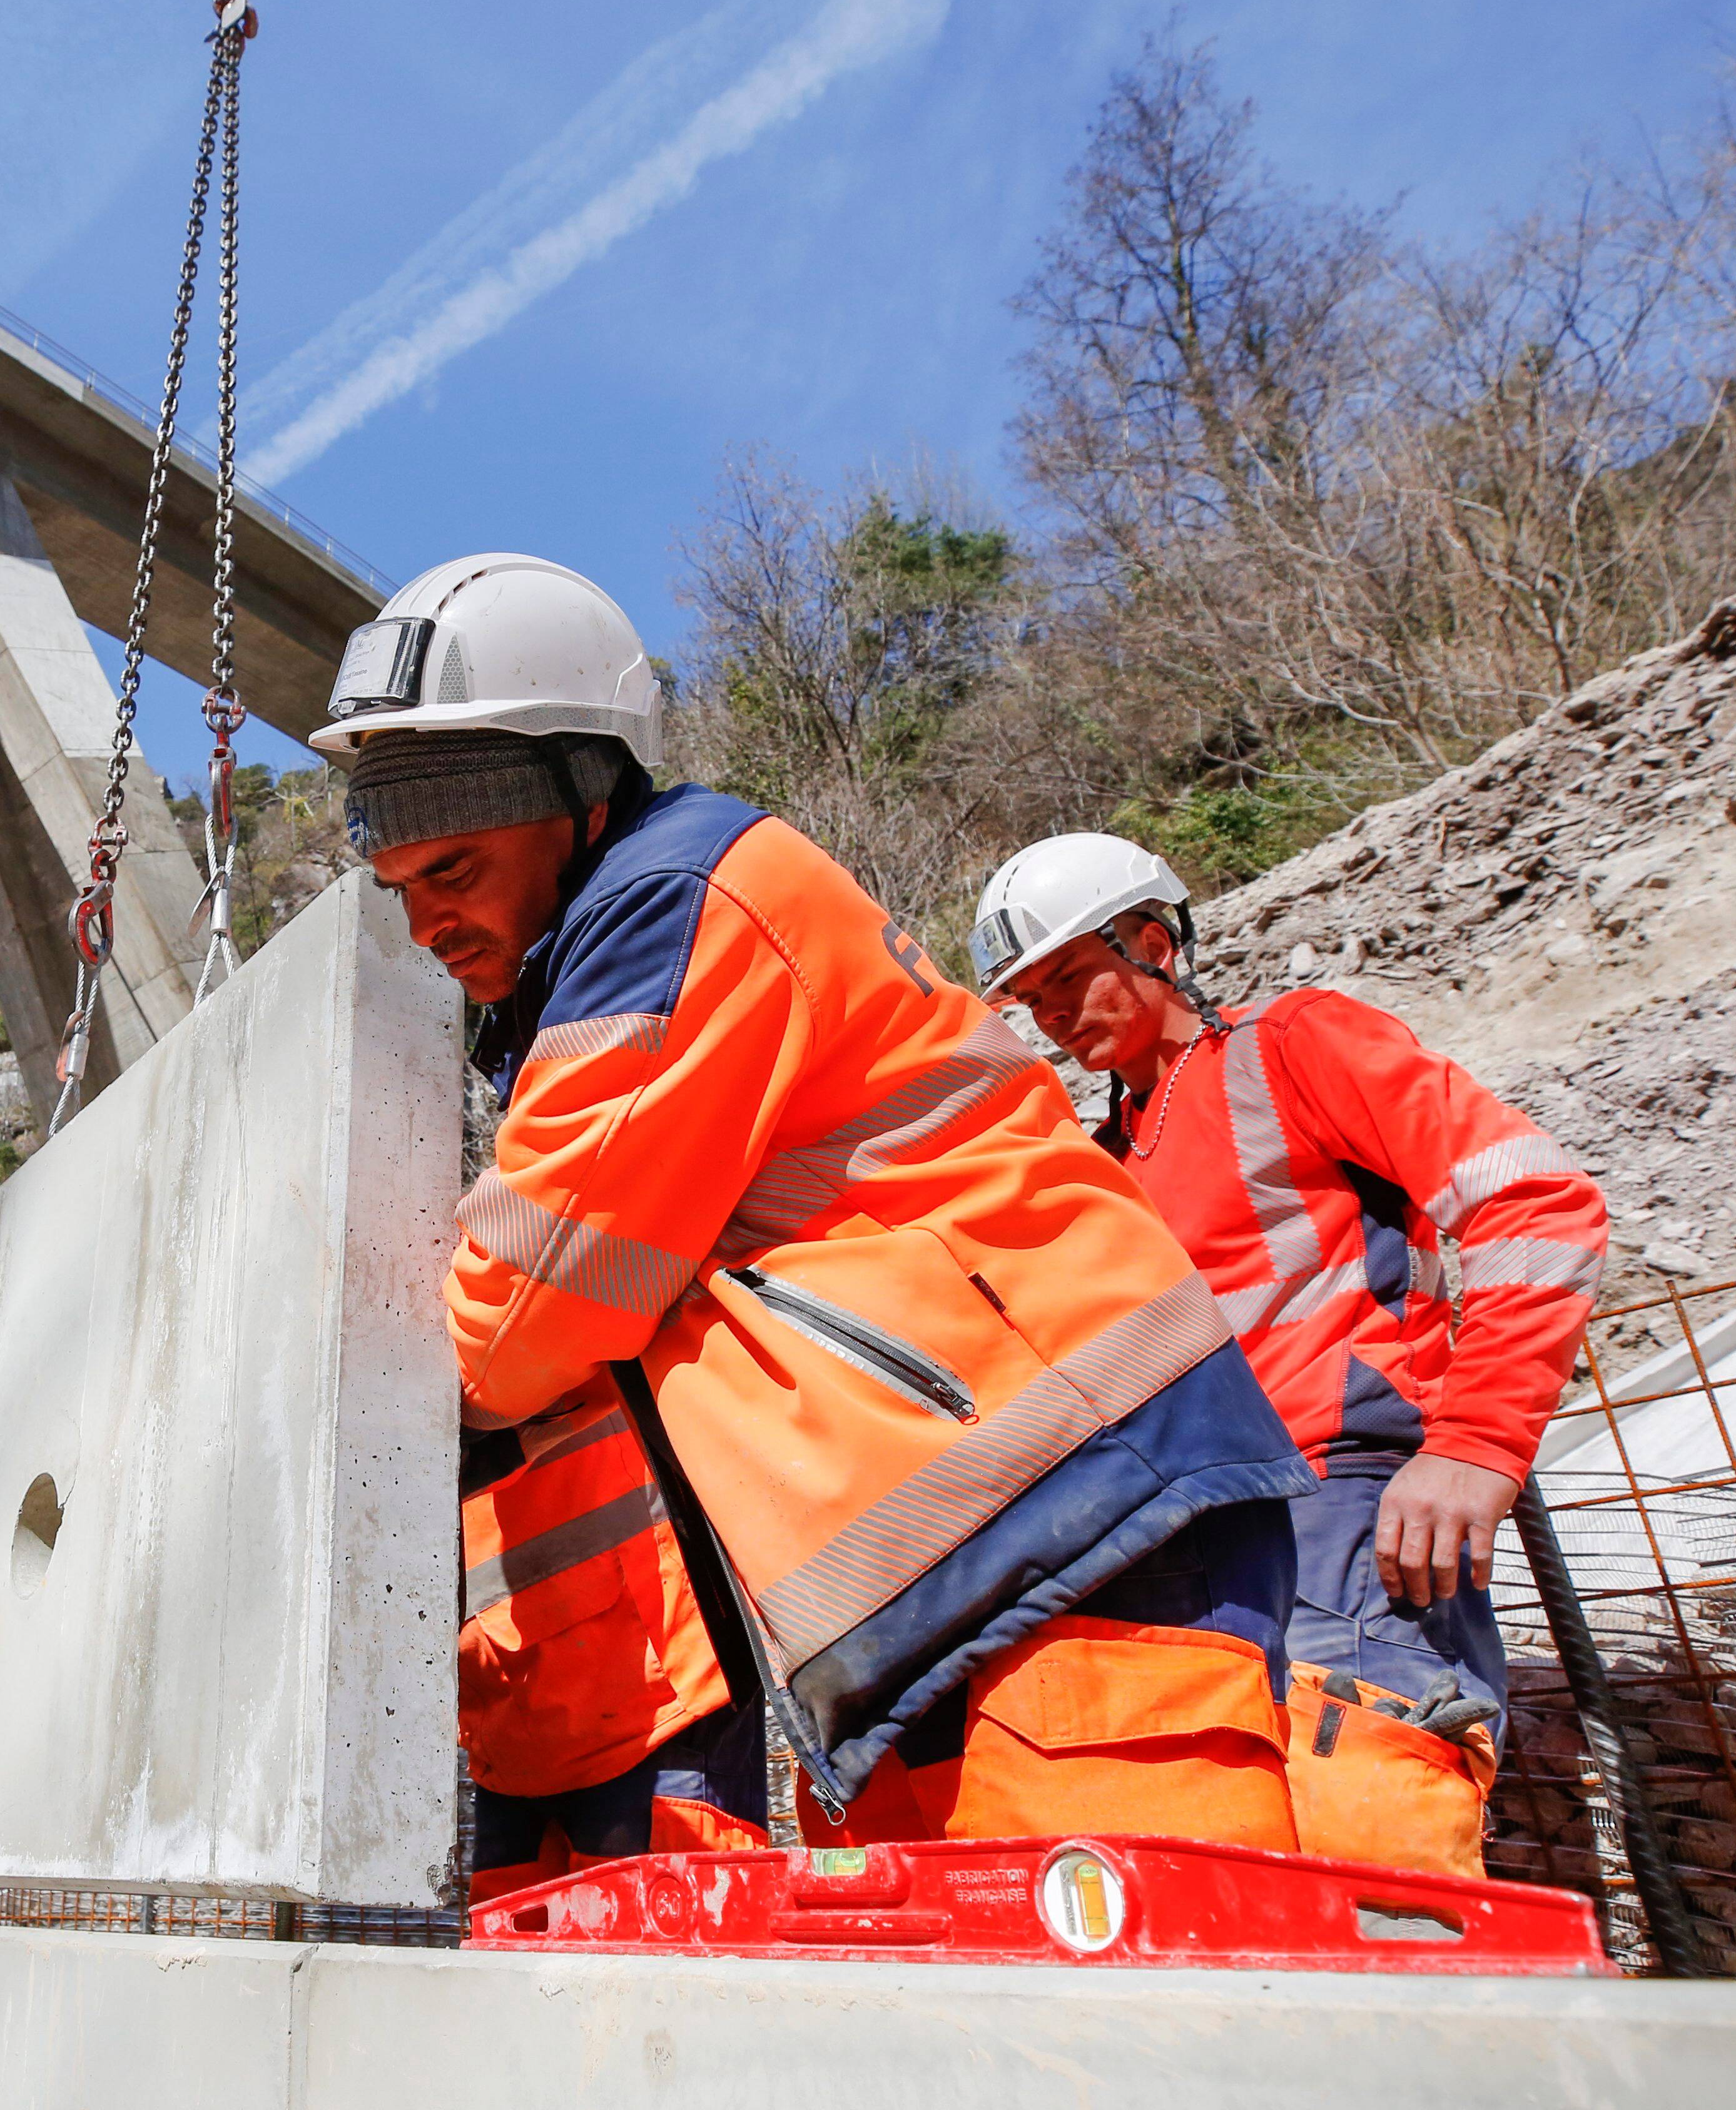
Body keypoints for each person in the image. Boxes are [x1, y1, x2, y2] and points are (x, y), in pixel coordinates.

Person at [315, 555, 1316, 1865]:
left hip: (1072, 1512)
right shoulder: (638, 922)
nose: (427, 923)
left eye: (455, 866)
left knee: (1148, 2012)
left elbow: (519, 1324)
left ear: (578, 790)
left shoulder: (666, 905)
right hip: (992, 1548)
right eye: (399, 890)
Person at [969, 833, 1610, 1875]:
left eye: (1072, 979)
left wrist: (1473, 1447)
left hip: (1343, 1513)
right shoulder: (1106, 1159)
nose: (1050, 1016)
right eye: (1030, 1000)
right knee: (1245, 1877)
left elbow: (1535, 1201)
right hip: (1209, 1553)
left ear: (1150, 943)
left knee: (1372, 1832)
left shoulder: (1292, 1045)